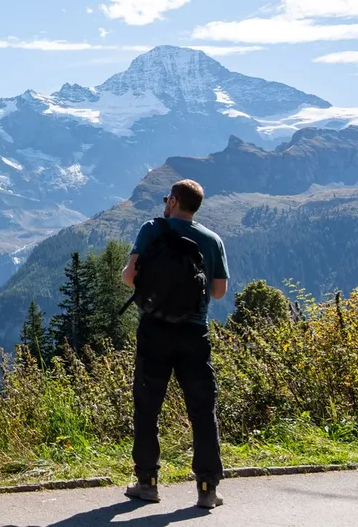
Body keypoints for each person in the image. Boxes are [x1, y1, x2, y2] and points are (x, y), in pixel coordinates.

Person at [120, 179, 229, 509]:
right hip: (194, 334)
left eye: (167, 197)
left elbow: (129, 276)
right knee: (201, 410)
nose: (164, 201)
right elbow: (219, 291)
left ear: (174, 202)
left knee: (147, 407)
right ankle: (208, 490)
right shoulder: (212, 240)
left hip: (154, 330)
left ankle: (147, 483)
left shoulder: (153, 229)